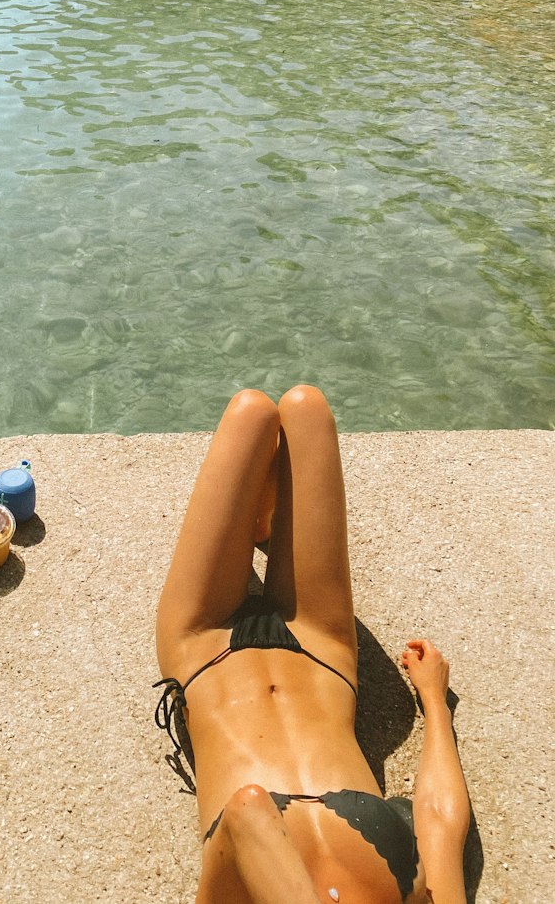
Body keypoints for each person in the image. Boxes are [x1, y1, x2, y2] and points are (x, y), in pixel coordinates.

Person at [156, 385, 470, 904]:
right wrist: (434, 702)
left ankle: (264, 527)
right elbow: (438, 820)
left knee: (251, 412)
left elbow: (247, 811)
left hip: (204, 650)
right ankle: (269, 524)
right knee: (306, 407)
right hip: (319, 651)